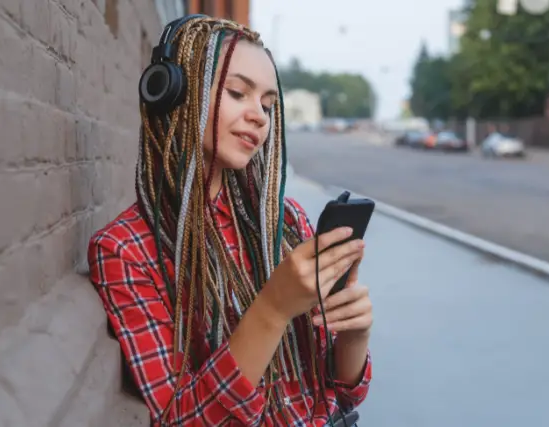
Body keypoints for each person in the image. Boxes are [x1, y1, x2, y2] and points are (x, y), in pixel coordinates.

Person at [87, 15, 373, 426]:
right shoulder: (127, 250)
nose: (259, 115)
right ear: (172, 94)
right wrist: (272, 309)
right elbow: (181, 418)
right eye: (238, 92)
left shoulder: (286, 221)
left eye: (269, 104)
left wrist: (354, 334)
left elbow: (342, 389)